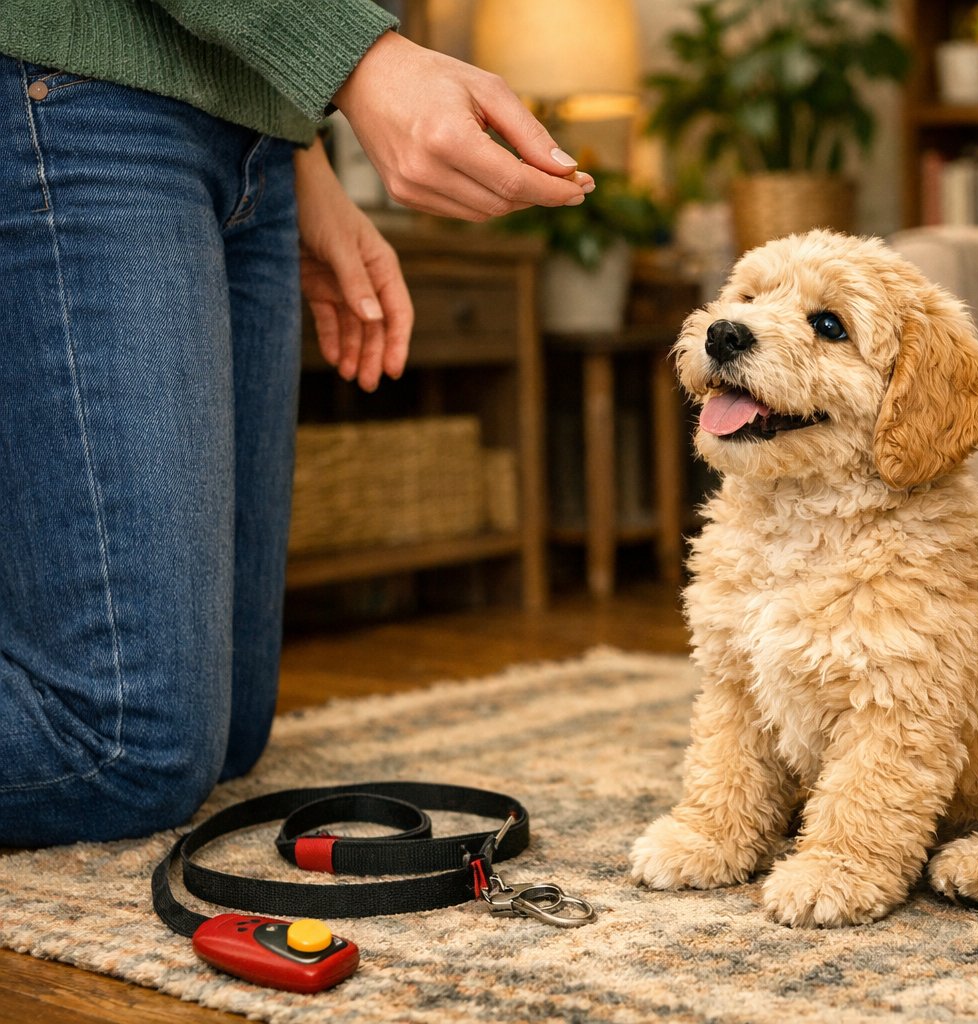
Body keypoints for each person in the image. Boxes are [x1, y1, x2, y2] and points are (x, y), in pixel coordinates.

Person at [0, 1, 592, 846]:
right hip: (76, 97)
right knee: (125, 741)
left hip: (257, 146)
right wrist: (360, 57)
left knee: (231, 735)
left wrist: (301, 155)